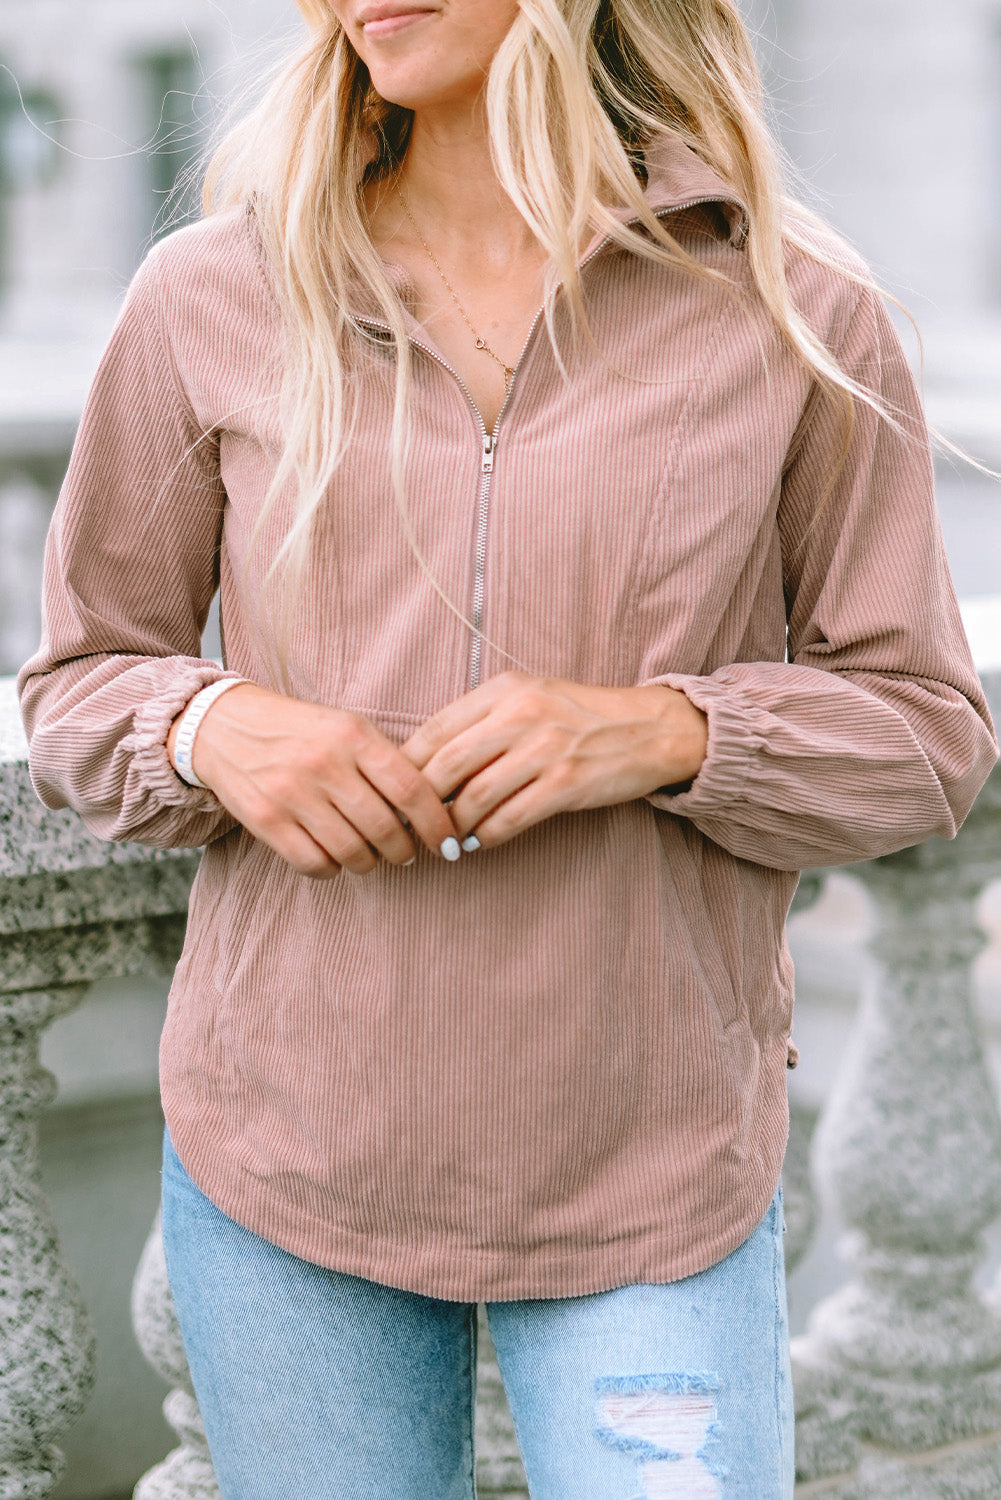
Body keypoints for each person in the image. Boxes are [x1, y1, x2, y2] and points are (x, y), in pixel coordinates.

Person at [18, 1, 998, 1496]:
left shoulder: (790, 306)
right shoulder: (210, 294)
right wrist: (211, 725)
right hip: (287, 1159)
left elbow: (927, 733)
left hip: (648, 1169)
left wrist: (666, 731)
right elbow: (81, 683)